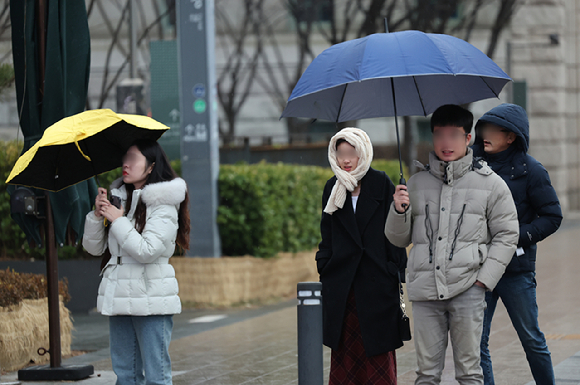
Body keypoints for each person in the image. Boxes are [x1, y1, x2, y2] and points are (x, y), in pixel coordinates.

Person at [384, 104, 519, 384]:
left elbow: (507, 234)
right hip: (425, 293)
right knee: (426, 374)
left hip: (469, 289)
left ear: (468, 138)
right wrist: (399, 210)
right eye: (439, 135)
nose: (446, 143)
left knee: (469, 373)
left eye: (454, 135)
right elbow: (398, 239)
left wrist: (484, 280)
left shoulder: (491, 184)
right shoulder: (416, 184)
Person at [83, 139, 190, 385]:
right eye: (125, 158)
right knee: (125, 374)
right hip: (119, 294)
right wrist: (97, 216)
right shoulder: (120, 198)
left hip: (151, 296)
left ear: (151, 167)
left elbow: (147, 251)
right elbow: (94, 248)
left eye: (133, 159)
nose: (126, 164)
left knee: (156, 375)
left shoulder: (163, 204)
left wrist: (118, 221)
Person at [472, 103, 562, 385]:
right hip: (478, 268)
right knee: (476, 344)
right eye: (482, 128)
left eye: (492, 130)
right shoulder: (470, 165)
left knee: (531, 339)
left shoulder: (532, 170)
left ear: (511, 136)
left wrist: (515, 236)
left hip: (516, 269)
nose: (484, 134)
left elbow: (552, 216)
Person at [317, 127, 408, 385]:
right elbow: (327, 233)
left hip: (376, 281)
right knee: (345, 355)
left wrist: (395, 267)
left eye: (352, 152)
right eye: (341, 152)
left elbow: (394, 232)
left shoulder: (381, 183)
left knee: (378, 356)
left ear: (363, 153)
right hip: (342, 284)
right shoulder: (332, 187)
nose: (346, 159)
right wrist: (324, 265)